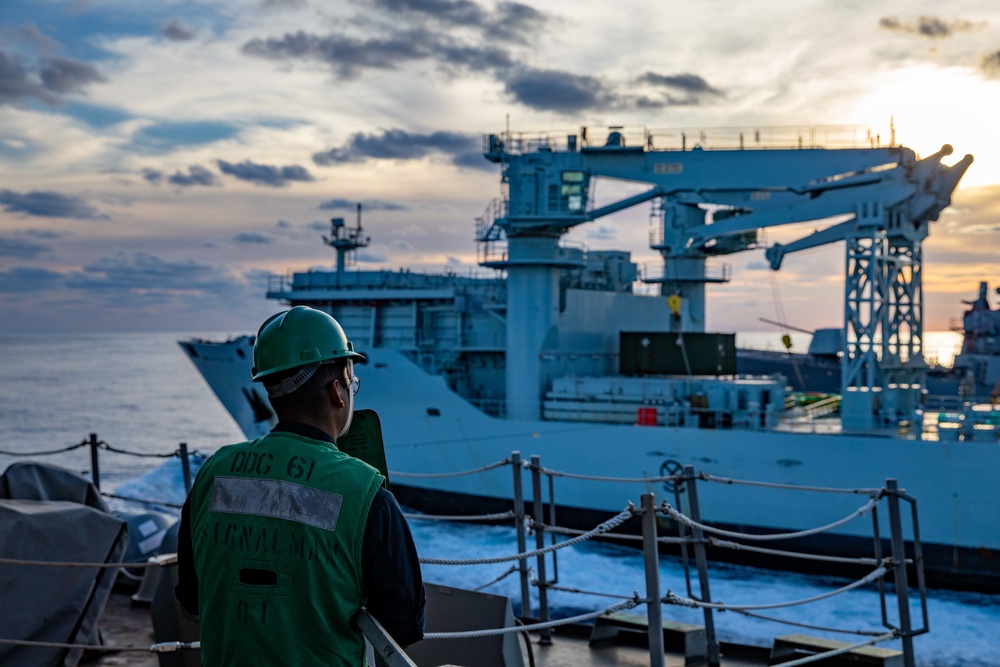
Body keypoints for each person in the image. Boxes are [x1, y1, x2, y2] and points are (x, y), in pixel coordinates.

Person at [176, 306, 425, 665]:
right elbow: (404, 624)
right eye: (351, 381)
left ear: (271, 392)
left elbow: (191, 596)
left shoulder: (212, 473)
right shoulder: (365, 491)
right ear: (338, 391)